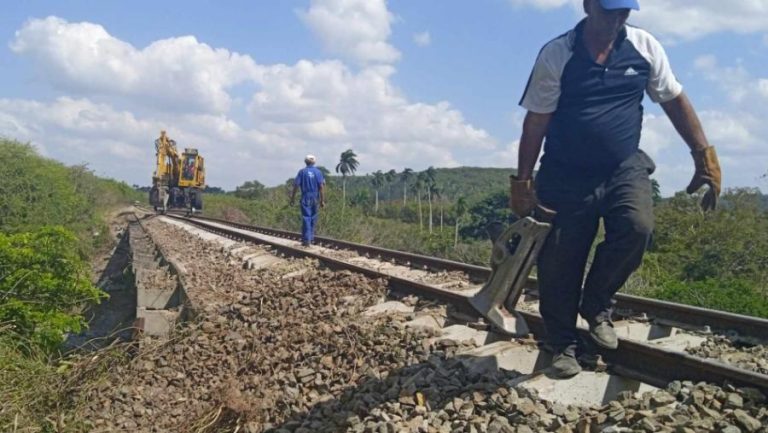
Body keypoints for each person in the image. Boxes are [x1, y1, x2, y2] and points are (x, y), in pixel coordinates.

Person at [511, 0, 722, 378]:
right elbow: (536, 121)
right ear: (588, 6)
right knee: (560, 261)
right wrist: (523, 182)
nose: (617, 19)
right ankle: (562, 345)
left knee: (637, 228)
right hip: (565, 172)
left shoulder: (644, 47)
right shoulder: (559, 53)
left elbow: (673, 99)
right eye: (609, 11)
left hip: (623, 166)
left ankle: (596, 306)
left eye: (624, 11)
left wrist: (702, 155)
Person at [290, 155, 326, 246]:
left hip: (305, 196)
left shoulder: (302, 172)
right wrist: (322, 200)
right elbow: (321, 187)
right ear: (314, 162)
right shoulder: (318, 172)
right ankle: (310, 238)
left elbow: (296, 186)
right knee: (313, 218)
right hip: (315, 197)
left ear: (305, 162)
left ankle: (307, 239)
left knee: (306, 218)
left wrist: (292, 198)